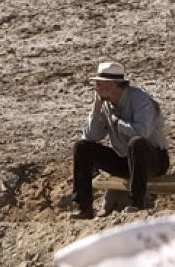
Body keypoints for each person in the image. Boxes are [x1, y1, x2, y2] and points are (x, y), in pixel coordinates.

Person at [71, 62, 169, 219]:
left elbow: (142, 133)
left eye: (99, 84)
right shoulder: (105, 104)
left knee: (136, 142)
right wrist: (95, 109)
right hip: (125, 160)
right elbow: (90, 136)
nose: (95, 87)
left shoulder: (140, 100)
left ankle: (136, 203)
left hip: (152, 159)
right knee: (81, 147)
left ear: (111, 85)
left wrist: (118, 121)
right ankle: (84, 208)